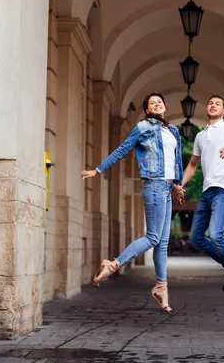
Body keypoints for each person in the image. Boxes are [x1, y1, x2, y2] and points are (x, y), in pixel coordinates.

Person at [81, 92, 182, 314]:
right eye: (152, 102)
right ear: (147, 109)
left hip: (166, 188)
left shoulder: (173, 131)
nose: (157, 104)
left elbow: (177, 161)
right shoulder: (143, 127)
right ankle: (114, 264)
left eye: (160, 101)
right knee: (153, 236)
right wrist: (98, 170)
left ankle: (161, 287)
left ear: (164, 106)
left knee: (162, 242)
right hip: (153, 185)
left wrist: (178, 185)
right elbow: (122, 150)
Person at [172, 95, 224, 303]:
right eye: (210, 103)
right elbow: (192, 166)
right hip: (206, 192)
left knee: (216, 234)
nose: (212, 105)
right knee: (196, 238)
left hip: (223, 190)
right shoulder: (201, 136)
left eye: (217, 103)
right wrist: (179, 185)